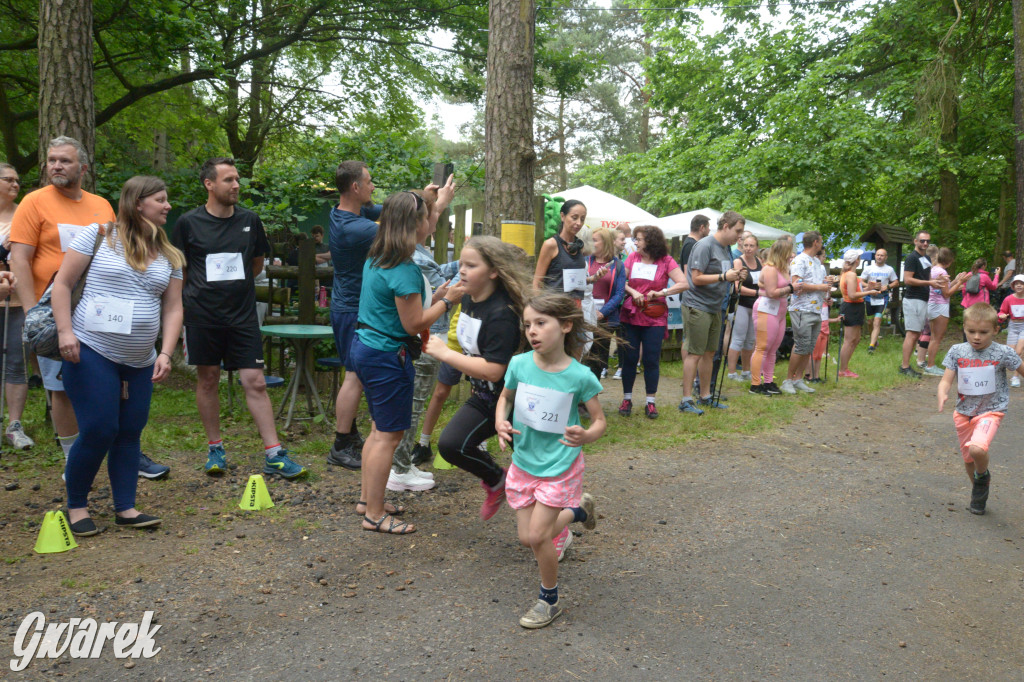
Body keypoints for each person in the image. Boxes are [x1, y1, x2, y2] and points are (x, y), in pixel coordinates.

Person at [10, 138, 157, 472]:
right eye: (51, 160)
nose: (56, 166)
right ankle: (72, 460)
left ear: (83, 168)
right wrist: (36, 315)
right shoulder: (33, 202)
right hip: (54, 311)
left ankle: (124, 452)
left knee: (115, 381)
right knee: (61, 387)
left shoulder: (101, 205)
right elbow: (20, 259)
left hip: (100, 310)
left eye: (65, 161)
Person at [52, 176, 184, 534]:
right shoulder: (97, 235)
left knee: (129, 432)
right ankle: (77, 507)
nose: (167, 206)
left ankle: (125, 507)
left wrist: (166, 353)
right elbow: (62, 284)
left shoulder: (170, 255)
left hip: (141, 359)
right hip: (91, 348)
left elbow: (173, 309)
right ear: (138, 203)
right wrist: (65, 332)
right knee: (99, 428)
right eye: (160, 199)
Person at [172, 157, 307, 479]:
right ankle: (215, 449)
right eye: (229, 180)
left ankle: (274, 454)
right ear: (209, 184)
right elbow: (182, 270)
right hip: (202, 316)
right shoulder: (188, 223)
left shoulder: (250, 220)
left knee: (255, 381)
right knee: (207, 380)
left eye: (237, 180)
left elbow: (256, 264)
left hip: (242, 316)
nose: (236, 186)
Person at [352, 191, 464, 534]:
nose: (432, 222)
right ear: (415, 223)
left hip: (367, 347)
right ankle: (374, 513)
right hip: (387, 356)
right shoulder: (404, 268)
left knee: (378, 431)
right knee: (389, 436)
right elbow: (413, 324)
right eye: (428, 216)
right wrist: (450, 302)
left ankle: (367, 499)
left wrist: (440, 294)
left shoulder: (380, 256)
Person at [496, 292, 605, 629]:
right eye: (528, 324)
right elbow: (505, 398)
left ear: (566, 325)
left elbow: (600, 421)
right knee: (527, 538)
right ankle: (579, 512)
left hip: (560, 465)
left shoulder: (580, 376)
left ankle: (549, 600)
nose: (532, 331)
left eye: (541, 323)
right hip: (525, 461)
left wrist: (586, 435)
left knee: (540, 537)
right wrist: (500, 421)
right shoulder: (519, 364)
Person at [327, 162, 445, 470]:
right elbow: (401, 221)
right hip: (357, 310)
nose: (373, 187)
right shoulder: (358, 229)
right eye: (368, 182)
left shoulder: (347, 213)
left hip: (358, 305)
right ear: (355, 187)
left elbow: (396, 209)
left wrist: (425, 197)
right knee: (354, 377)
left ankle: (354, 439)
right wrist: (433, 205)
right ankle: (343, 441)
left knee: (357, 378)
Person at [424, 236, 528, 518]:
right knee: (451, 445)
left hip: (518, 402)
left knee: (536, 472)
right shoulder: (469, 298)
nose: (463, 271)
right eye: (462, 264)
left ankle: (572, 512)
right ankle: (497, 480)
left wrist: (445, 354)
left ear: (493, 271)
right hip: (486, 395)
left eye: (472, 265)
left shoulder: (502, 313)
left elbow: (495, 369)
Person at [388, 180, 458, 491]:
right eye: (427, 215)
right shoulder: (409, 260)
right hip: (426, 338)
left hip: (425, 338)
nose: (433, 221)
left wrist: (438, 202)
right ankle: (400, 469)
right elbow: (420, 314)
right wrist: (448, 296)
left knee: (411, 407)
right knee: (412, 407)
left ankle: (402, 466)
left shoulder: (408, 251)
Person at [937, 303, 1024, 515]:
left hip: (991, 411)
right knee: (969, 459)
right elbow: (946, 380)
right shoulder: (957, 351)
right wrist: (942, 392)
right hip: (963, 412)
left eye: (983, 332)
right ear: (964, 328)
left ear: (995, 330)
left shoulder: (1003, 352)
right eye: (971, 331)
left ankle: (982, 476)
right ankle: (979, 488)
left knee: (977, 449)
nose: (976, 337)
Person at [678, 212, 747, 414]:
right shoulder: (705, 245)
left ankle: (706, 396)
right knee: (694, 353)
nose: (740, 236)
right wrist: (724, 276)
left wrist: (736, 275)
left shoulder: (726, 249)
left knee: (710, 353)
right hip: (697, 305)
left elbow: (723, 275)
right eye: (738, 231)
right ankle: (686, 399)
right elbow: (696, 278)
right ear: (725, 226)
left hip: (716, 307)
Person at [616, 225, 687, 418]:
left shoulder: (666, 260)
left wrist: (662, 292)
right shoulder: (632, 258)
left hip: (654, 316)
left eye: (638, 239)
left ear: (650, 241)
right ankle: (627, 398)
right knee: (629, 358)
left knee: (651, 359)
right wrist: (633, 292)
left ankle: (650, 402)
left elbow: (684, 283)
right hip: (631, 314)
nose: (635, 242)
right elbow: (620, 280)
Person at [0, 164, 33, 449]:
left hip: (17, 301)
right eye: (8, 179)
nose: (15, 184)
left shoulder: (23, 215)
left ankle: (14, 424)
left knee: (16, 362)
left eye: (17, 180)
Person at [783, 231, 834, 394]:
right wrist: (820, 287)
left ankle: (798, 379)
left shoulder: (818, 263)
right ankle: (788, 380)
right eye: (821, 241)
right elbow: (796, 284)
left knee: (809, 346)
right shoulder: (799, 260)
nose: (821, 244)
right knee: (800, 345)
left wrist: (827, 287)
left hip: (816, 309)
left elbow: (823, 286)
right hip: (801, 309)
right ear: (815, 243)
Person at [749, 239, 797, 396]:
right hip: (766, 310)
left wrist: (792, 288)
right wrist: (791, 288)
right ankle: (755, 384)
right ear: (781, 253)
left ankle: (768, 381)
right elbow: (771, 292)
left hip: (780, 312)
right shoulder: (770, 269)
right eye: (789, 251)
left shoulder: (784, 269)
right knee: (762, 348)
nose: (792, 255)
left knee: (773, 349)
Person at [900, 231, 946, 378]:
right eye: (922, 241)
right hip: (913, 299)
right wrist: (929, 282)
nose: (925, 243)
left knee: (916, 334)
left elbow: (925, 277)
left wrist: (937, 279)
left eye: (927, 241)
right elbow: (907, 280)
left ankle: (908, 365)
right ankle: (904, 367)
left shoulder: (925, 257)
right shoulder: (912, 258)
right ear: (915, 241)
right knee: (912, 334)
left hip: (923, 299)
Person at [584, 227, 625, 382]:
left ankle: (591, 396)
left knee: (598, 359)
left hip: (604, 320)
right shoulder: (585, 261)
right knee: (583, 356)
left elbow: (619, 294)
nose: (591, 243)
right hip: (584, 316)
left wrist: (603, 312)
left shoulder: (617, 265)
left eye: (595, 240)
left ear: (605, 242)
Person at [923, 248, 968, 376]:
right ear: (949, 261)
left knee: (934, 337)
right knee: (937, 338)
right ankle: (931, 366)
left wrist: (955, 281)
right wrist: (960, 282)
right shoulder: (942, 272)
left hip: (933, 304)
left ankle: (930, 364)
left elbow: (945, 288)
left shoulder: (935, 270)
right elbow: (947, 293)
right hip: (939, 306)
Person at [534, 200, 587, 302]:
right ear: (563, 216)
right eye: (574, 218)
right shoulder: (551, 245)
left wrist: (593, 279)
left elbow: (574, 279)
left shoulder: (579, 246)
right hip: (555, 307)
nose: (579, 223)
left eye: (582, 219)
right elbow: (537, 283)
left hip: (575, 308)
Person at [727, 231, 762, 381]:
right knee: (738, 338)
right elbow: (737, 287)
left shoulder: (760, 261)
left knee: (750, 340)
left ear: (756, 247)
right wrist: (758, 293)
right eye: (746, 245)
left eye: (751, 246)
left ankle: (746, 371)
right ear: (741, 245)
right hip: (741, 305)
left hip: (755, 306)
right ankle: (732, 372)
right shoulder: (738, 262)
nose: (748, 248)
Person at [838, 250, 872, 378]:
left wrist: (868, 288)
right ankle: (842, 369)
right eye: (859, 258)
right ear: (856, 260)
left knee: (856, 339)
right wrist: (869, 293)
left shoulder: (850, 274)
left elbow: (856, 291)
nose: (860, 259)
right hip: (851, 307)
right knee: (849, 340)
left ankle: (845, 367)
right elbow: (852, 295)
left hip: (855, 306)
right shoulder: (850, 275)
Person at [860, 248, 899, 353]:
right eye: (878, 255)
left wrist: (888, 286)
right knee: (870, 322)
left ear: (886, 257)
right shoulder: (869, 268)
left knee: (877, 321)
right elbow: (861, 281)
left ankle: (871, 346)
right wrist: (869, 286)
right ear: (875, 256)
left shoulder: (889, 269)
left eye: (882, 255)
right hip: (869, 297)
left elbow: (896, 282)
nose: (879, 257)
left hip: (882, 298)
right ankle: (874, 340)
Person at [997, 275, 1024, 388]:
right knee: (1010, 353)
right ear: (1013, 286)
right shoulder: (1008, 299)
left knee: (1018, 352)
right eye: (1016, 283)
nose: (1019, 285)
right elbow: (1001, 312)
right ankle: (1002, 375)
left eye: (1021, 283)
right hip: (1012, 326)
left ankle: (1016, 376)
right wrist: (1001, 316)